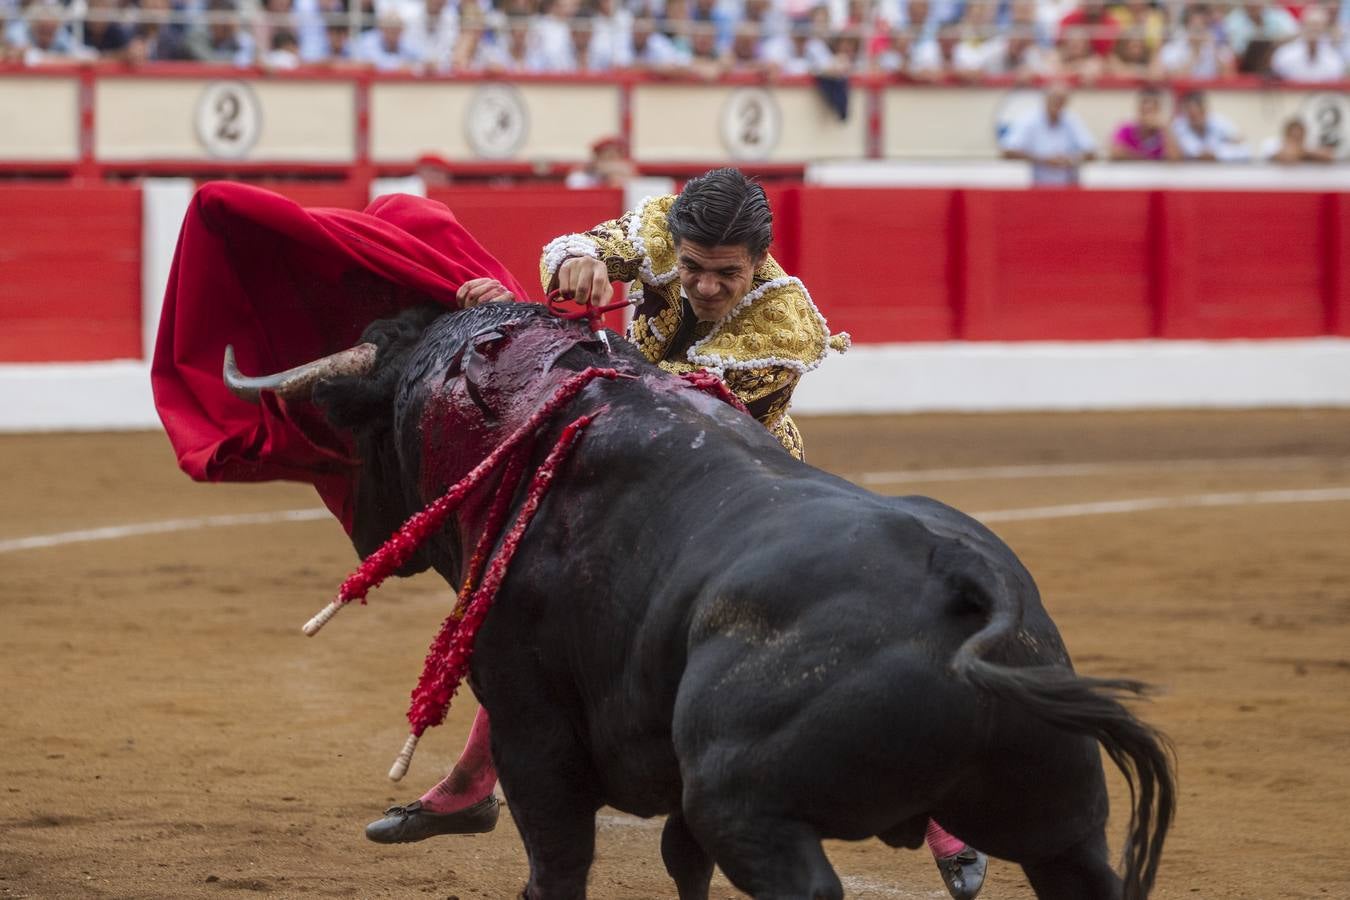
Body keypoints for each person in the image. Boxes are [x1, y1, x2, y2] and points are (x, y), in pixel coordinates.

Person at [363, 167, 990, 900]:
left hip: (746, 497)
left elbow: (661, 391)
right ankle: (473, 784)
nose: (704, 287)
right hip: (639, 478)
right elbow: (571, 249)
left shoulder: (788, 321)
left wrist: (536, 320)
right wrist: (573, 269)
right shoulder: (661, 227)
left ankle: (946, 815)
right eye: (692, 268)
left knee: (817, 660)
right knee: (538, 620)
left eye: (727, 274)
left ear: (760, 262)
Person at [1000, 80, 1098, 186]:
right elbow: (1008, 151)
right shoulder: (1029, 120)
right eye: (1055, 99)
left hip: (1067, 187)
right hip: (1035, 187)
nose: (1057, 104)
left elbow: (1091, 152)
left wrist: (1071, 159)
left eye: (1061, 101)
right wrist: (1043, 160)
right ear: (1045, 99)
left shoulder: (1071, 119)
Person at [1170, 89, 1250, 161]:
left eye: (1200, 112)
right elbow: (1195, 153)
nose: (1197, 117)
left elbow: (1244, 149)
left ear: (1206, 109)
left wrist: (1217, 154)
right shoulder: (1179, 127)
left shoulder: (1219, 122)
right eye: (1192, 115)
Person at [1110, 86, 1180, 160]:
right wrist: (1147, 158)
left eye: (1152, 111)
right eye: (1144, 111)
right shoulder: (1126, 129)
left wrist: (1165, 129)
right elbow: (1115, 152)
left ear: (1159, 111)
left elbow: (1175, 158)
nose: (1147, 116)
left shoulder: (1165, 132)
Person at [1260, 116, 1336, 163]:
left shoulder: (1309, 144)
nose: (1297, 139)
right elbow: (1287, 158)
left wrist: (1303, 152)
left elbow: (1329, 156)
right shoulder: (1272, 143)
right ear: (1286, 134)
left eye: (1300, 136)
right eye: (1294, 136)